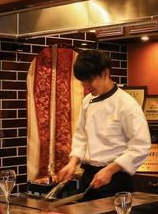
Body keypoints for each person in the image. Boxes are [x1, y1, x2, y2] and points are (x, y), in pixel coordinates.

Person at [56, 49, 150, 200]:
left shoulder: (126, 104)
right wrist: (72, 163)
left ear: (106, 73)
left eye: (90, 80)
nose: (86, 86)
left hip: (116, 178)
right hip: (90, 176)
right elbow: (81, 137)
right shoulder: (87, 101)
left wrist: (110, 170)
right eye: (83, 82)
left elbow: (141, 146)